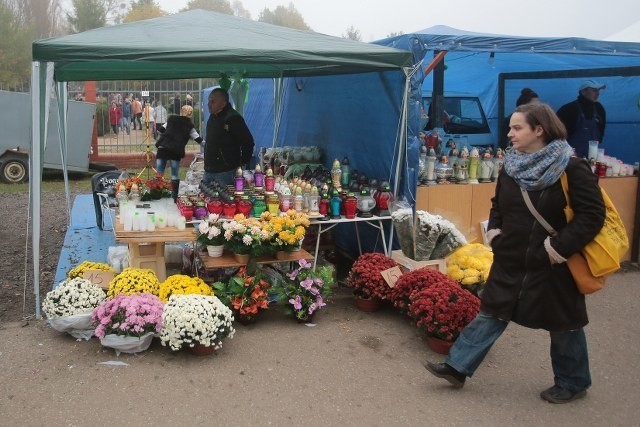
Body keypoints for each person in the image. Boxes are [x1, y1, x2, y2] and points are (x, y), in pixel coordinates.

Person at [424, 102, 606, 404]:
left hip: (553, 263)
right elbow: (499, 205)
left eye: (517, 127)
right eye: (511, 127)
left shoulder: (571, 168)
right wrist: (495, 233)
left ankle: (573, 382)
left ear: (540, 130)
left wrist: (557, 250)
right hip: (511, 256)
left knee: (563, 323)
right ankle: (458, 367)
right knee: (492, 310)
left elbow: (592, 215)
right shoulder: (512, 165)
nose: (510, 133)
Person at [203, 88, 254, 185]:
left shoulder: (233, 118)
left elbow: (248, 142)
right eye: (209, 101)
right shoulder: (212, 116)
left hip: (226, 172)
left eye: (212, 102)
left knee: (225, 199)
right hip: (209, 170)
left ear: (223, 103)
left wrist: (242, 163)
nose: (209, 104)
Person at [156, 104, 204, 201]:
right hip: (176, 150)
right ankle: (174, 197)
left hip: (163, 147)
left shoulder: (171, 119)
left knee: (159, 172)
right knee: (174, 174)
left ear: (181, 112)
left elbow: (160, 131)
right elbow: (198, 139)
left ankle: (157, 193)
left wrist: (167, 136)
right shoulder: (189, 126)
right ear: (191, 115)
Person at [556, 80, 607, 158]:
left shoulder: (599, 108)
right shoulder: (568, 109)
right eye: (594, 90)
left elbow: (601, 130)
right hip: (570, 158)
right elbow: (556, 135)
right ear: (583, 92)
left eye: (599, 90)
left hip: (591, 157)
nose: (598, 93)